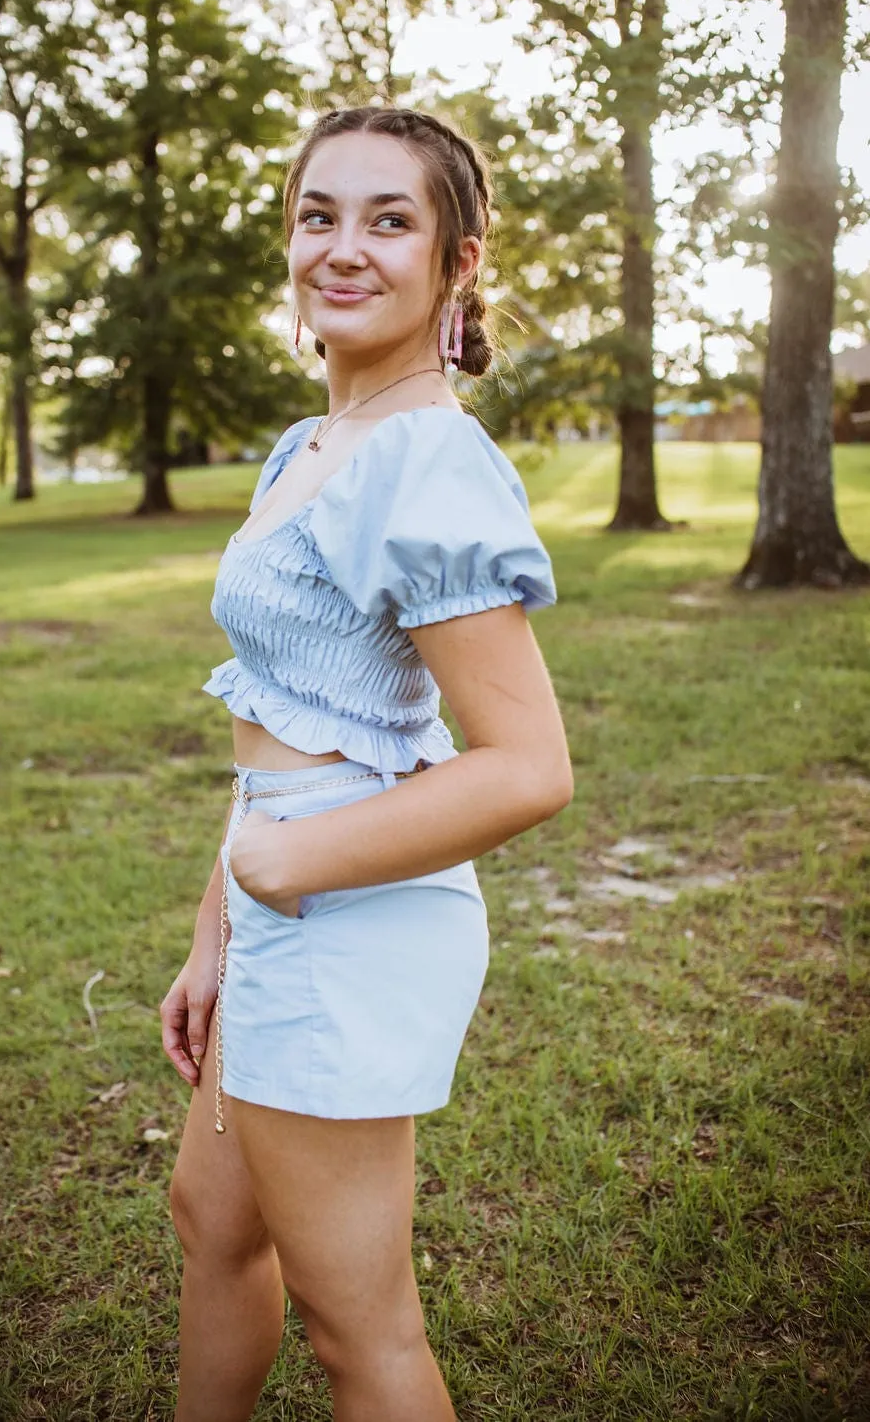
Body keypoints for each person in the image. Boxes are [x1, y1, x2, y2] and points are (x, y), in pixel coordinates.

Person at [160, 105, 573, 1422]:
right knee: (210, 1223)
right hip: (283, 893)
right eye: (317, 214)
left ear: (457, 262)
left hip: (348, 909)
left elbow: (526, 765)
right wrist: (217, 922)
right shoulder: (311, 444)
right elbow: (295, 712)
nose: (343, 247)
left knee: (362, 1331)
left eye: (390, 220)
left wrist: (280, 861)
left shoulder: (428, 463)